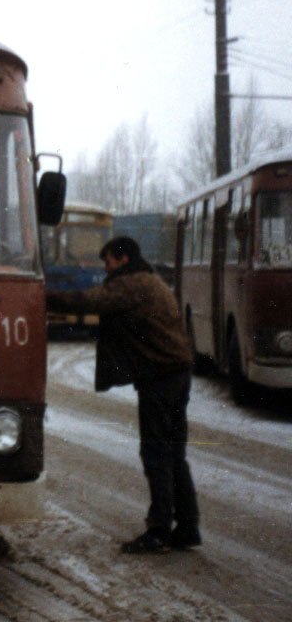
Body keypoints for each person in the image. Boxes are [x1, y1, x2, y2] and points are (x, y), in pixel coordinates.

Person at [47, 236, 200, 554]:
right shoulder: (153, 281)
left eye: (109, 262)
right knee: (174, 453)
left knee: (156, 452)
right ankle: (187, 527)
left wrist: (42, 296)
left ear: (124, 258)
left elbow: (90, 301)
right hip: (177, 373)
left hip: (160, 377)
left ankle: (159, 530)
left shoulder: (133, 284)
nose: (105, 269)